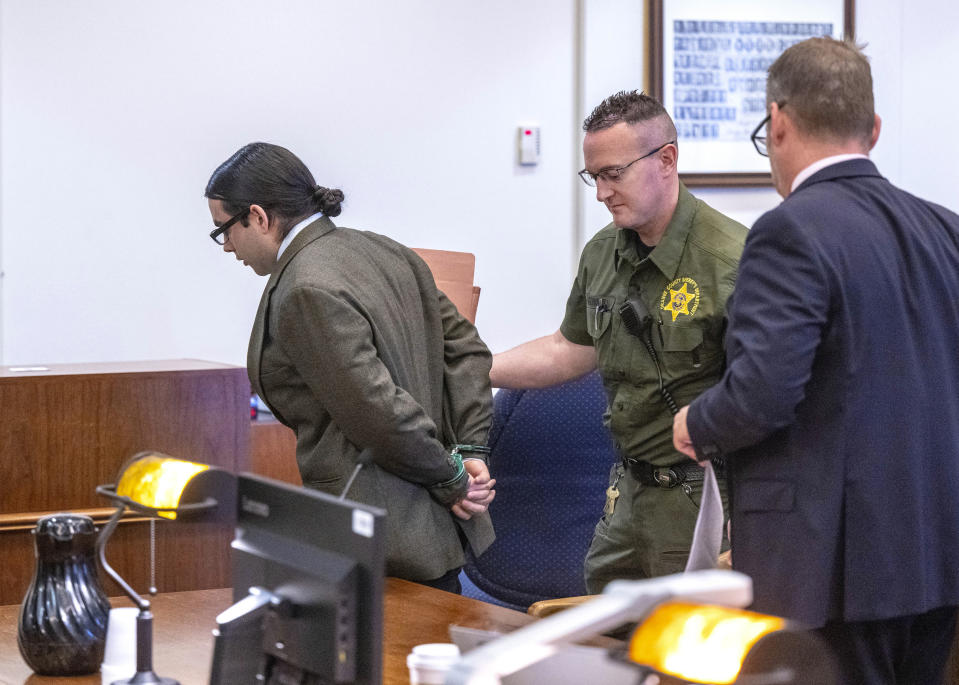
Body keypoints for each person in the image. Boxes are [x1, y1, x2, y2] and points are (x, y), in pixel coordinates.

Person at [672, 37, 959, 684]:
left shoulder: (789, 229)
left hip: (832, 573)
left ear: (777, 121)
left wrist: (696, 422)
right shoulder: (945, 228)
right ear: (873, 129)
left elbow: (761, 393)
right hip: (937, 559)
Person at [205, 142, 496, 593]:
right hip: (431, 536)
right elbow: (468, 352)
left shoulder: (304, 287)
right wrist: (470, 450)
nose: (226, 247)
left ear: (258, 217)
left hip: (379, 541)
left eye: (223, 230)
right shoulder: (387, 251)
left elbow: (378, 412)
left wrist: (452, 477)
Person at [491, 92, 747, 593]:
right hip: (627, 494)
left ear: (667, 160)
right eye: (594, 177)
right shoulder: (603, 251)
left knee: (689, 658)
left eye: (614, 173)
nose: (602, 192)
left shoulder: (732, 260)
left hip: (707, 499)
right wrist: (472, 365)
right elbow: (570, 350)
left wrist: (755, 516)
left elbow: (768, 400)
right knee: (604, 645)